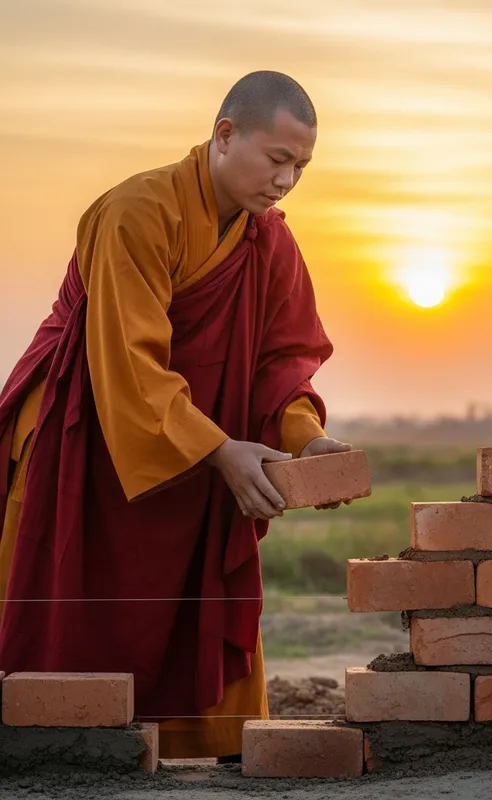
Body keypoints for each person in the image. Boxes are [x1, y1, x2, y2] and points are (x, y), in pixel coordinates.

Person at [0, 71, 352, 761]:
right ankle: (56, 741)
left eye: (301, 167)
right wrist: (220, 450)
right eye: (276, 159)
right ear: (225, 135)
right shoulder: (136, 211)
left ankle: (205, 737)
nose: (286, 181)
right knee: (66, 594)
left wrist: (305, 442)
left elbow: (285, 361)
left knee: (199, 583)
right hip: (88, 425)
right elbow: (126, 359)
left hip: (198, 435)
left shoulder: (271, 243)